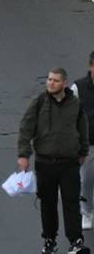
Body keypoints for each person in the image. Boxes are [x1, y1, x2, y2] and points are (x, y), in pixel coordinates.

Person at [72, 54, 94, 232]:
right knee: (86, 179)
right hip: (88, 142)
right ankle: (87, 211)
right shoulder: (78, 87)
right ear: (90, 66)